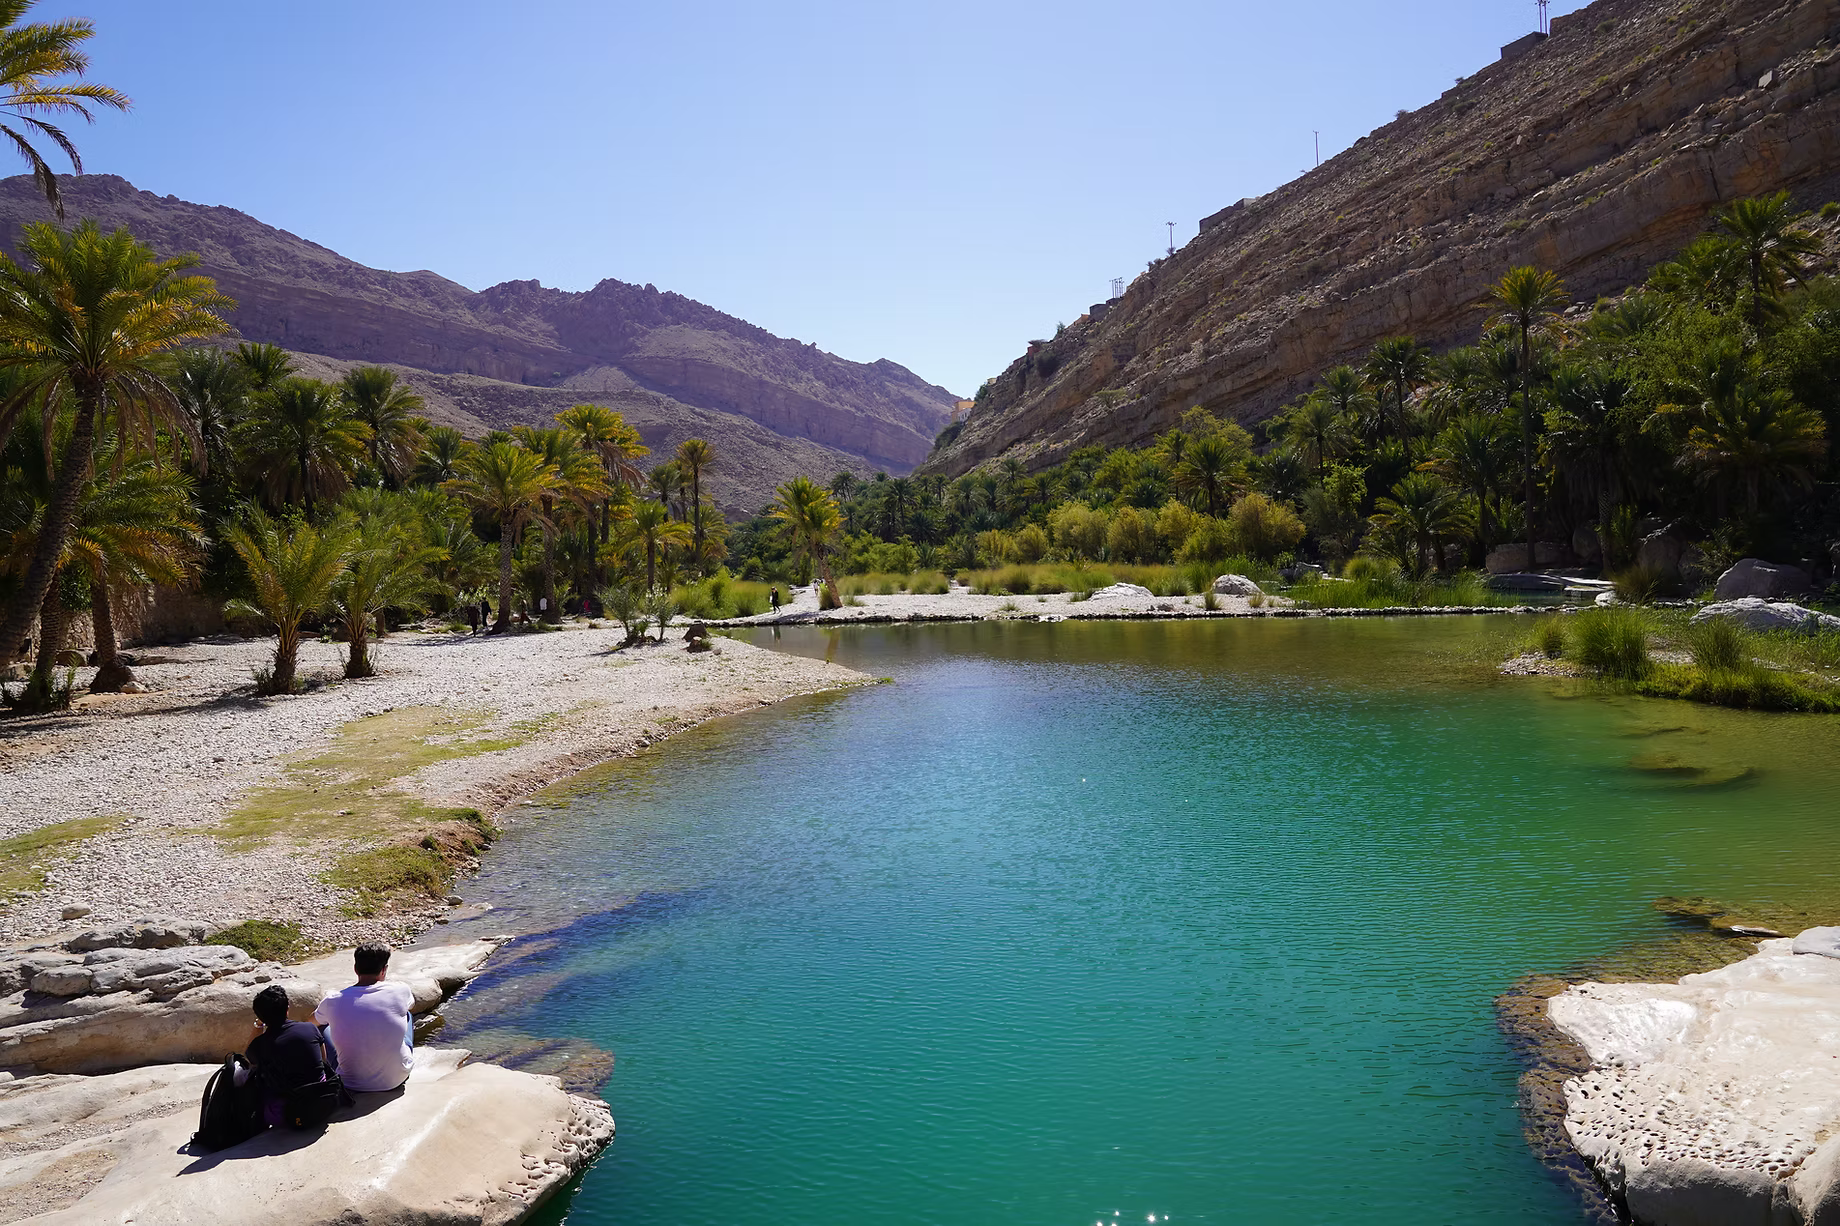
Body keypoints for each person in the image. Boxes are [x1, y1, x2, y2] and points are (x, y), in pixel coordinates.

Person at [314, 943, 415, 1093]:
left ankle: (328, 1070)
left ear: (355, 968)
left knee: (322, 1026)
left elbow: (311, 1022)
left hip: (349, 1082)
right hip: (396, 1079)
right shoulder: (400, 990)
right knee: (407, 1014)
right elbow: (410, 1005)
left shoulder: (333, 1000)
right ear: (384, 970)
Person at [244, 984, 332, 1128]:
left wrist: (259, 1024)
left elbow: (249, 1056)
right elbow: (324, 1062)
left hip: (285, 1116)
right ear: (287, 1009)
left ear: (261, 1016)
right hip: (323, 1102)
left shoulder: (259, 1045)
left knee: (252, 1073)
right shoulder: (309, 1028)